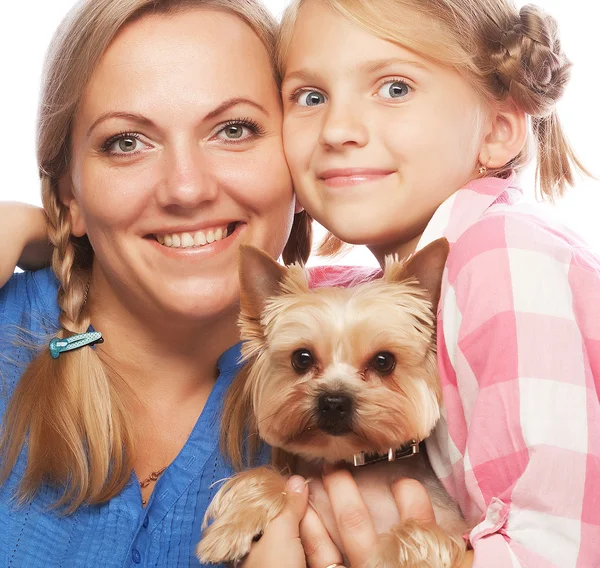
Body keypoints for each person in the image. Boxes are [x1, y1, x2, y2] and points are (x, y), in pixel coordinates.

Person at [272, 0, 600, 566]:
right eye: (310, 97)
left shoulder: (503, 256)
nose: (338, 129)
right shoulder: (398, 280)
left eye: (395, 88)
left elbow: (559, 547)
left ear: (498, 131)